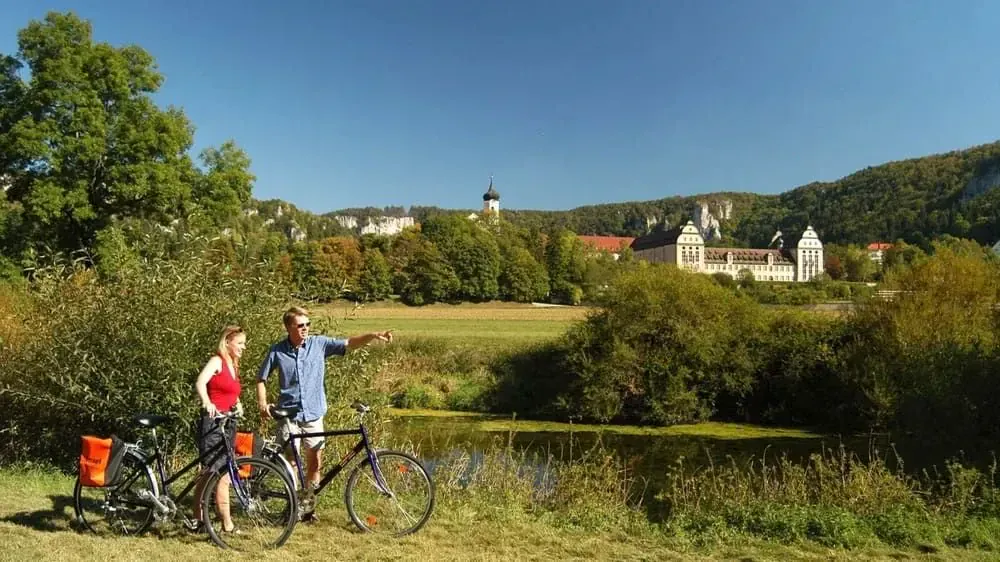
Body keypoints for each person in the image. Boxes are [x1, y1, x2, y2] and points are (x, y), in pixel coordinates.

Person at [256, 306, 391, 508]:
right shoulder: (277, 350)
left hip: (313, 413)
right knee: (291, 462)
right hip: (288, 415)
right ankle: (293, 506)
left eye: (307, 324)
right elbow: (261, 378)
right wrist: (262, 403)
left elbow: (349, 343)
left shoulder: (319, 344)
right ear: (289, 327)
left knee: (315, 462)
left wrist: (372, 335)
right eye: (300, 325)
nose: (305, 328)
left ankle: (308, 505)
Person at [191, 325, 246, 534]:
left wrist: (238, 403)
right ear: (228, 342)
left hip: (228, 423)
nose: (243, 347)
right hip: (213, 423)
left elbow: (231, 392)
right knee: (217, 473)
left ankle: (198, 516)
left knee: (215, 473)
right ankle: (226, 524)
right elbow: (200, 382)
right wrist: (207, 402)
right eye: (240, 343)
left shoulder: (234, 365)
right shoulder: (217, 361)